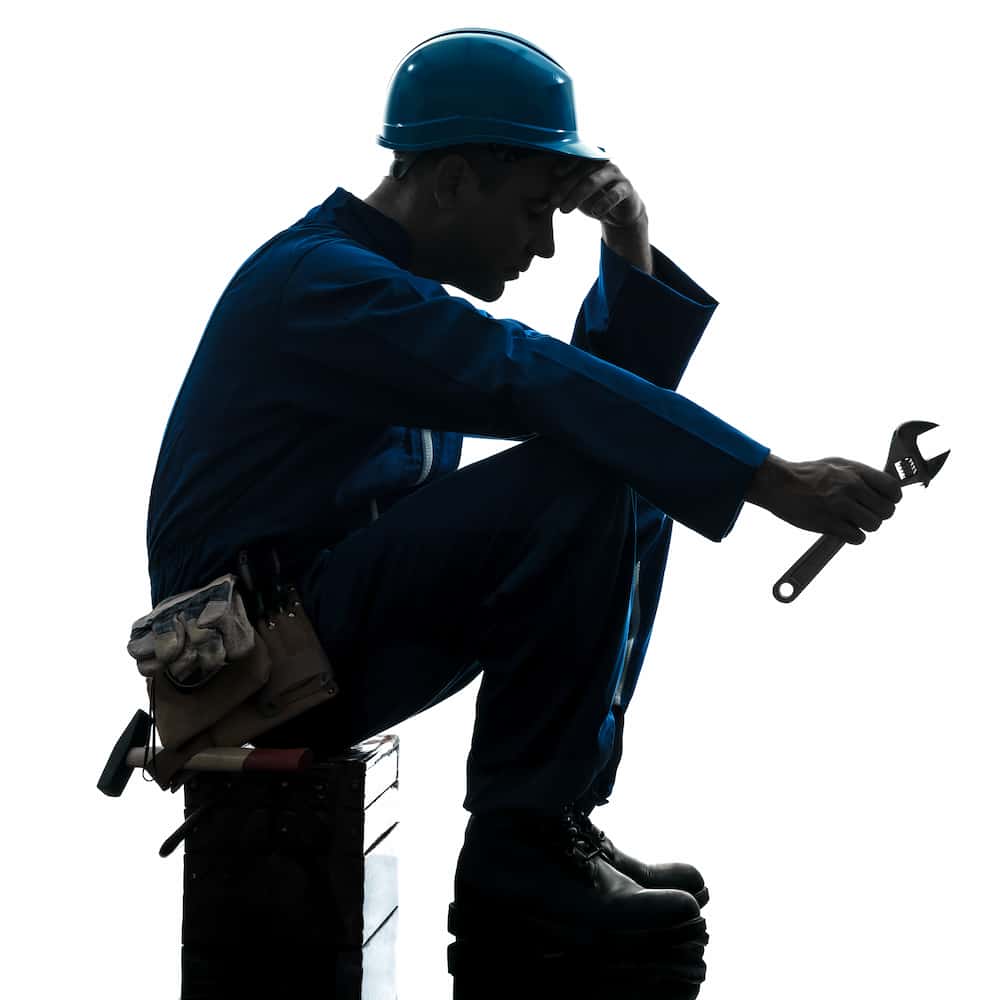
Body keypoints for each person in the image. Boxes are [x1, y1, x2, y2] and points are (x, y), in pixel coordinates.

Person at [144, 28, 903, 951]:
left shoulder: (382, 282)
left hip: (315, 638)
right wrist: (767, 477)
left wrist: (628, 243)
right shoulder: (323, 284)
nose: (545, 247)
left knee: (629, 470)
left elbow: (601, 419)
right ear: (456, 179)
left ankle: (553, 824)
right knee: (598, 466)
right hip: (253, 670)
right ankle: (524, 848)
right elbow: (529, 376)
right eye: (535, 210)